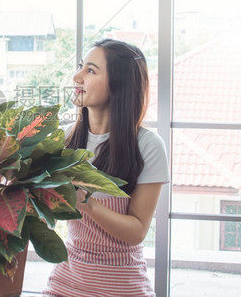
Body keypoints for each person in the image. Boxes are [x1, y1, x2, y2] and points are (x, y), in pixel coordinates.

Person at [43, 39, 169, 297]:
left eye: (90, 70)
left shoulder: (147, 145)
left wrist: (86, 203)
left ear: (118, 84)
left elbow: (136, 231)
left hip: (122, 285)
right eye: (80, 67)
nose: (77, 76)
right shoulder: (66, 138)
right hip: (66, 280)